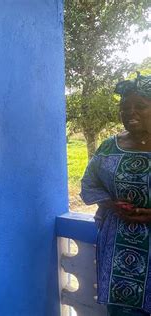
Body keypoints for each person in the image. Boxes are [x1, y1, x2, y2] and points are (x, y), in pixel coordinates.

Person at [81, 73, 151, 315]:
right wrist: (111, 204)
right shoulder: (110, 147)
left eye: (140, 106)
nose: (130, 112)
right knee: (121, 309)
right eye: (124, 107)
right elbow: (89, 184)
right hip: (117, 244)